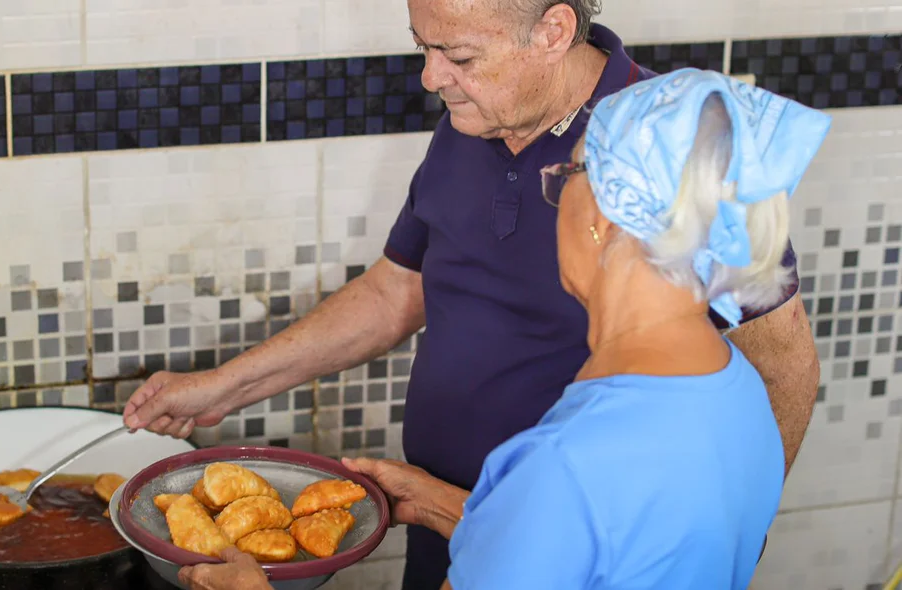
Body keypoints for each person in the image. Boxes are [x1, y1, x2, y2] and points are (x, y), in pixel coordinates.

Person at [125, 1, 822, 586]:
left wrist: (726, 534)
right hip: (491, 527)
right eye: (424, 47)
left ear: (551, 31)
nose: (433, 77)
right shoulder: (476, 119)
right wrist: (222, 391)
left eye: (458, 57)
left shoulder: (652, 149)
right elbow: (398, 292)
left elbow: (785, 363)